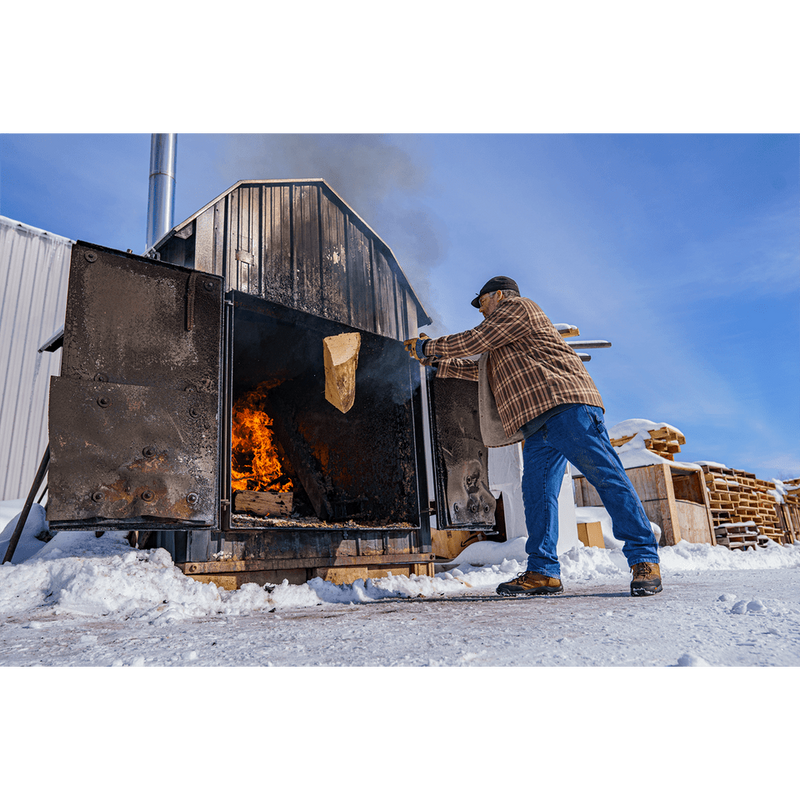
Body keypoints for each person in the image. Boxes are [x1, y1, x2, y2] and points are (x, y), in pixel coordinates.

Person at [404, 276, 662, 597]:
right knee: (537, 495)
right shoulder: (503, 340)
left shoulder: (518, 308)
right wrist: (432, 361)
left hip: (567, 405)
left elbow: (476, 339)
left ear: (498, 295)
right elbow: (477, 372)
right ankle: (543, 572)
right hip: (536, 424)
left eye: (482, 303)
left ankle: (644, 559)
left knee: (606, 478)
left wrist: (429, 346)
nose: (482, 311)